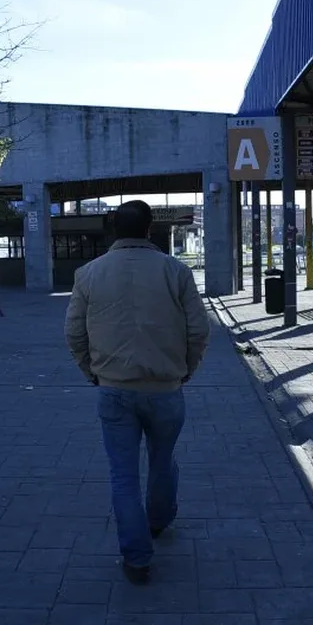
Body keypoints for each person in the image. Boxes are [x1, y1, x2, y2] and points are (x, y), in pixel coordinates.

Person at [64, 200, 210, 586]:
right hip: (166, 389)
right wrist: (186, 370)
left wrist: (91, 372)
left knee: (123, 476)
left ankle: (137, 558)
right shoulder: (176, 272)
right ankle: (159, 521)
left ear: (114, 231)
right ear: (150, 230)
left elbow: (74, 333)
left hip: (112, 391)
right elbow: (199, 330)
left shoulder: (88, 274)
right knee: (163, 461)